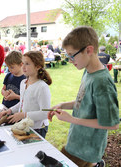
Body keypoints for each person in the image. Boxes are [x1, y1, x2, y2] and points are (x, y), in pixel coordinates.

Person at [48, 26, 119, 167]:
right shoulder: (88, 71)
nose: (70, 60)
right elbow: (85, 101)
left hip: (86, 149)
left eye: (72, 55)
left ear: (89, 50)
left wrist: (72, 119)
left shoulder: (102, 82)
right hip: (76, 142)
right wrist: (63, 105)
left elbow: (112, 123)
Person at [0, 51, 52, 138]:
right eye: (22, 63)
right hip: (25, 125)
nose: (23, 66)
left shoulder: (42, 87)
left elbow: (45, 113)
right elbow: (23, 102)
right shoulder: (23, 83)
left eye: (27, 64)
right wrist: (10, 111)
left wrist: (23, 115)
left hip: (38, 128)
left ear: (38, 66)